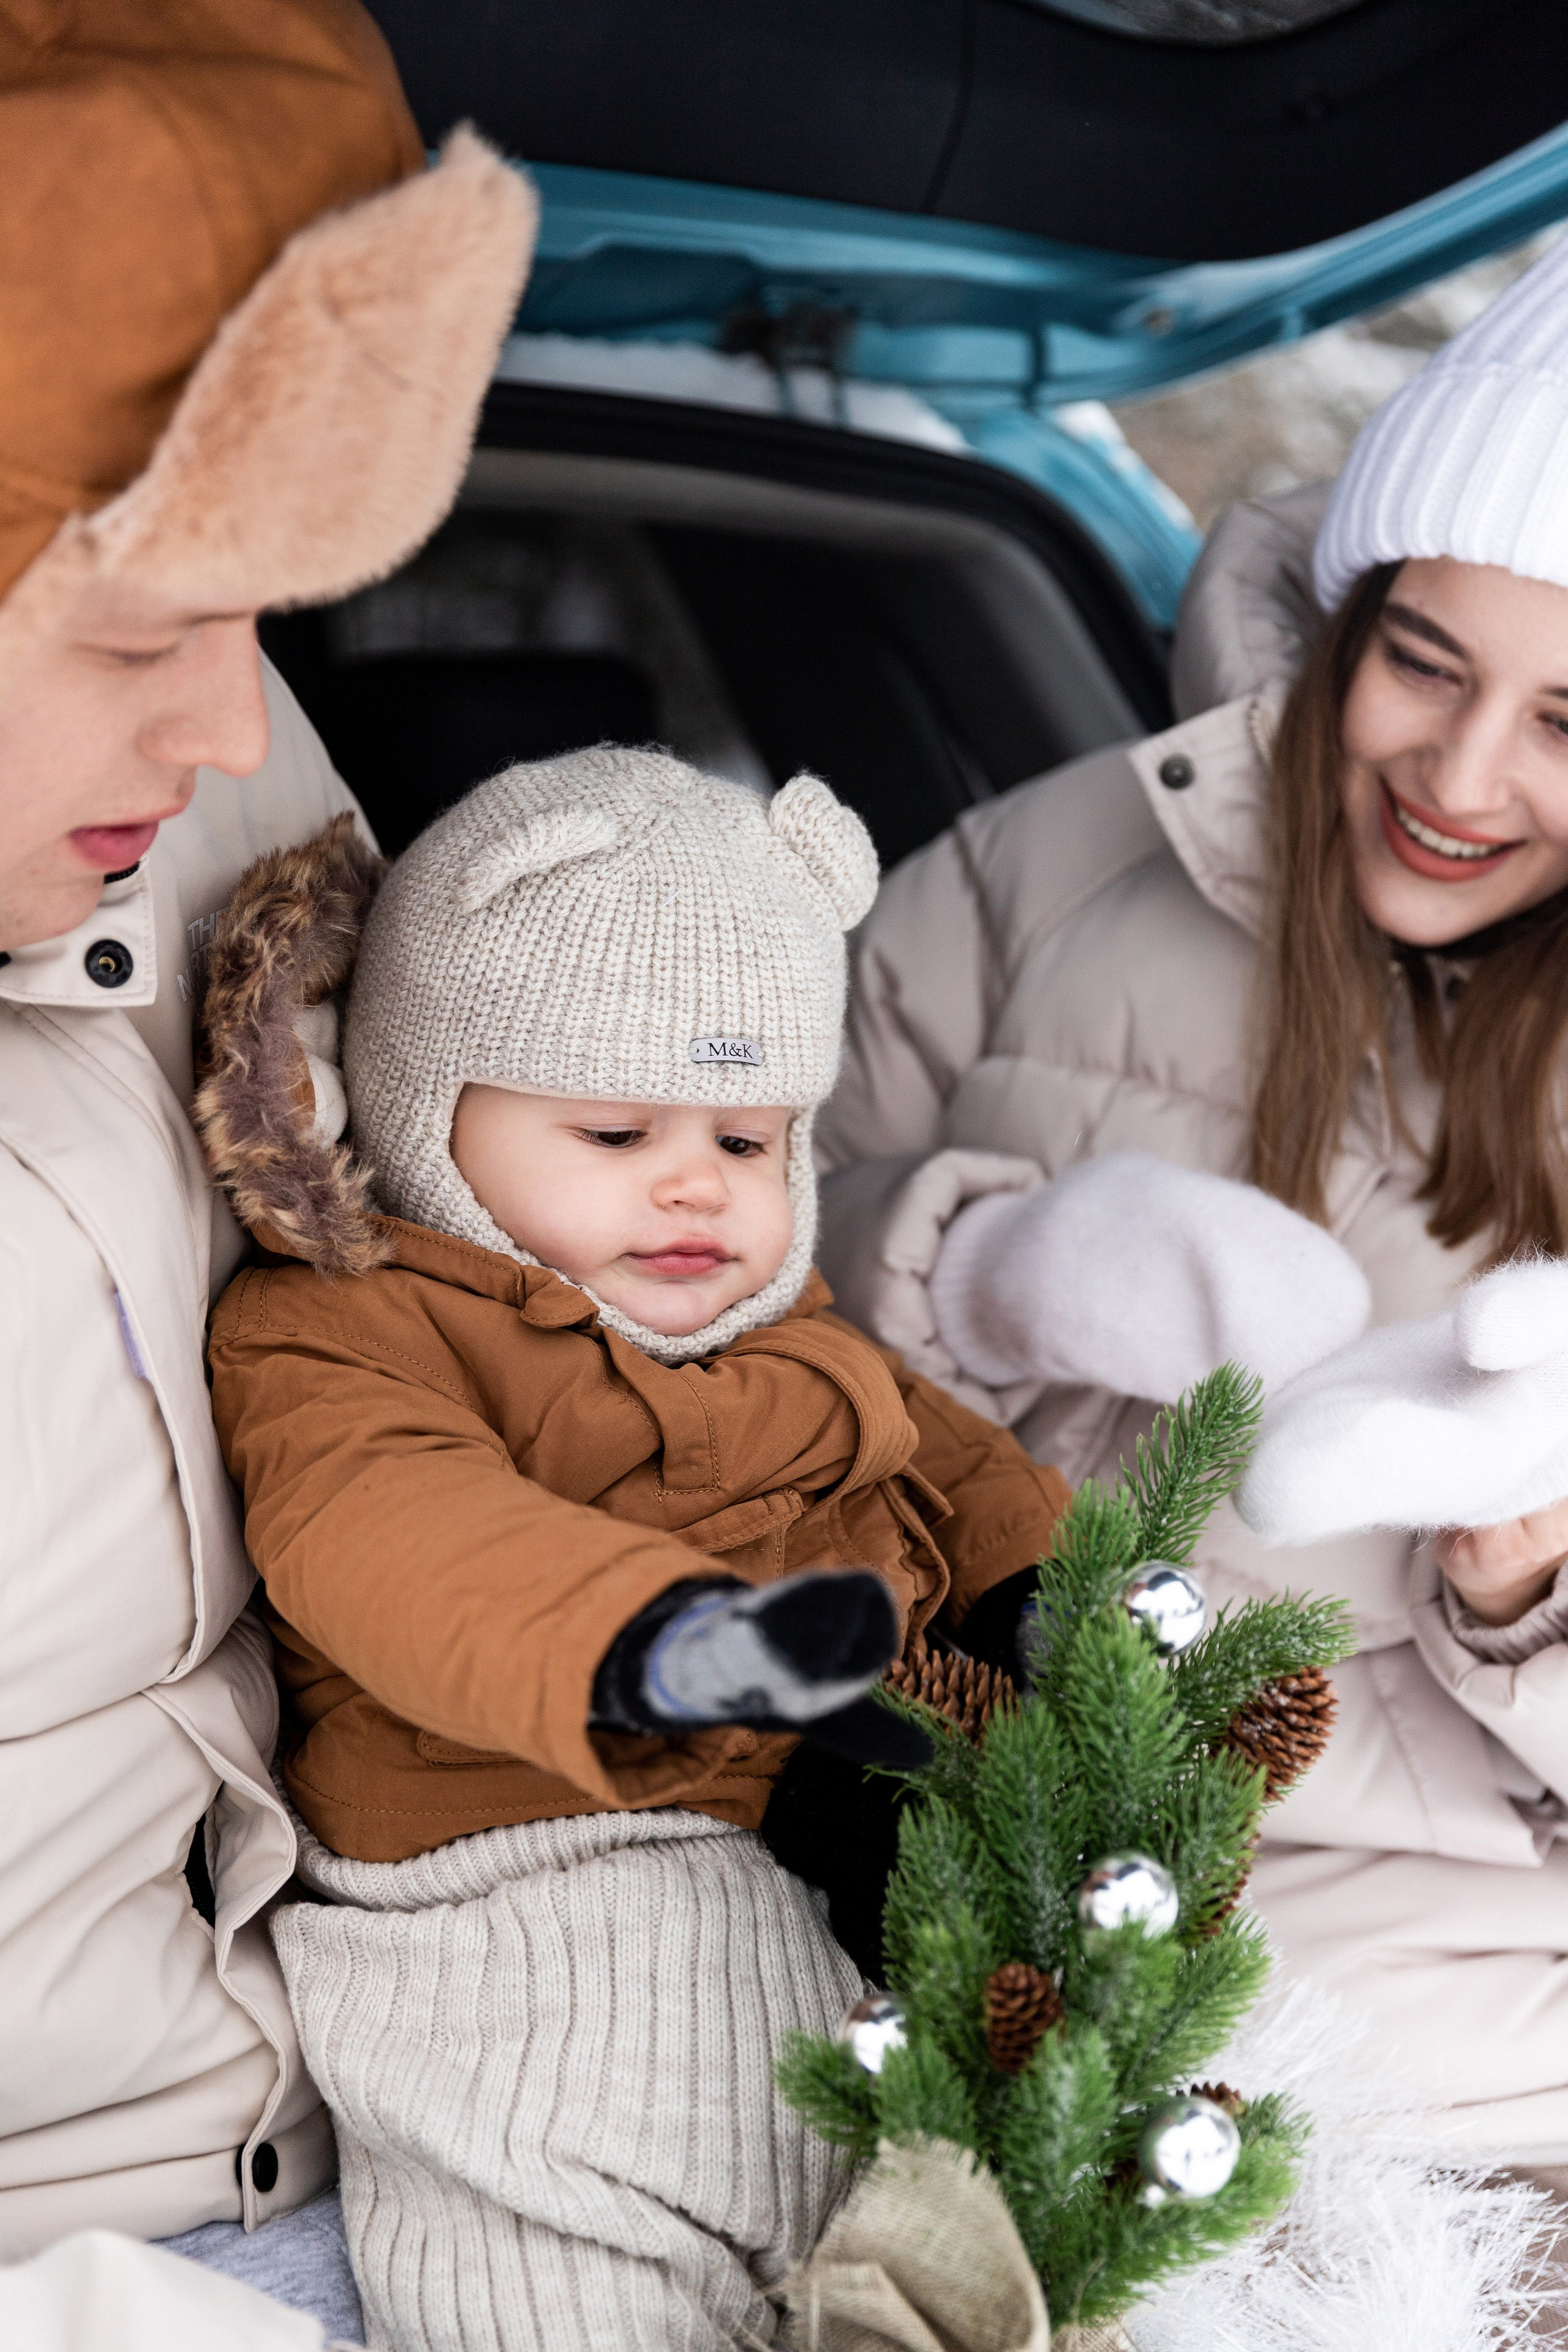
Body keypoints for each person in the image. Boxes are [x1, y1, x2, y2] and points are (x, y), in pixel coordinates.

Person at [815, 222, 1568, 2190]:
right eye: (1421, 661)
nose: (1464, 776)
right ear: (1349, 610)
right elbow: (667, 1301)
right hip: (939, 1936)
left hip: (1456, 2079)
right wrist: (970, 1267)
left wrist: (1523, 1580)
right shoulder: (1050, 866)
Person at [192, 748, 1071, 2352]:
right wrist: (661, 1642)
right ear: (423, 1108)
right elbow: (396, 1533)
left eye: (750, 1142)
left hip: (838, 1904)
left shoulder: (797, 1334)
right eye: (611, 1129)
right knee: (550, 2290)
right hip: (530, 1923)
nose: (695, 1184)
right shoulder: (346, 1330)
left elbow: (967, 1472)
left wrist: (1050, 1604)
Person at [0, 2, 535, 2338]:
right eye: (142, 631)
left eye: (260, 620)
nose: (235, 724)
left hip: (412, 2118)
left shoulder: (192, 779)